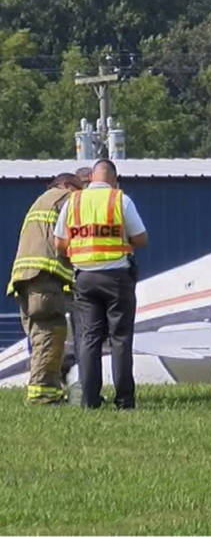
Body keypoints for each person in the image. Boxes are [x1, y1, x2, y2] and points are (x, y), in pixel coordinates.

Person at [54, 159, 147, 409]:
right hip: (117, 278)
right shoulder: (120, 200)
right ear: (114, 179)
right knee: (120, 339)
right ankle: (125, 401)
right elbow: (140, 237)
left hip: (84, 278)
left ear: (92, 178)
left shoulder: (73, 201)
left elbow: (59, 244)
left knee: (88, 339)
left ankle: (90, 400)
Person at [7, 173, 83, 404]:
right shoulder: (65, 199)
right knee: (51, 331)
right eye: (79, 190)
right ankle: (43, 395)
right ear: (68, 186)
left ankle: (48, 388)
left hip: (24, 279)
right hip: (45, 278)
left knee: (40, 336)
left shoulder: (41, 201)